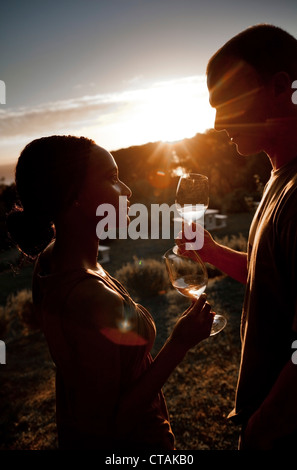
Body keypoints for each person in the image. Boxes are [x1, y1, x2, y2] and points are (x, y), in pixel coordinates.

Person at [6, 135, 214, 450]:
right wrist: (179, 344)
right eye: (112, 179)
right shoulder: (91, 299)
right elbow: (111, 424)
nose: (127, 190)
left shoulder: (50, 261)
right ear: (73, 195)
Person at [178, 24, 297, 449]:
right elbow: (274, 279)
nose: (216, 122)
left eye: (227, 101)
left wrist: (262, 429)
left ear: (281, 86)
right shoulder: (279, 177)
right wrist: (212, 253)